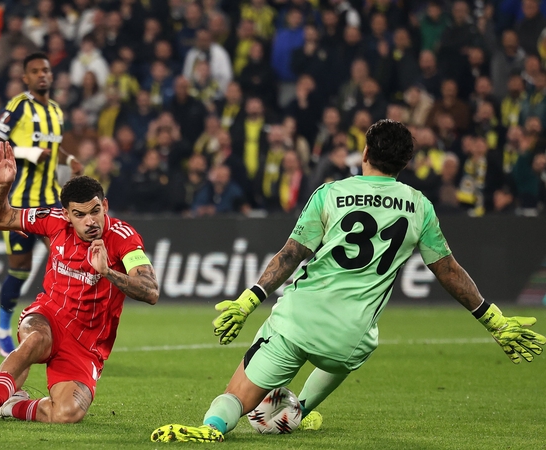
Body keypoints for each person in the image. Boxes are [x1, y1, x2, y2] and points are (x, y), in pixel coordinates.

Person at [151, 120, 546, 443]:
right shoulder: (419, 206)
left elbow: (291, 255)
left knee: (235, 396)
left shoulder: (331, 194)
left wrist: (249, 299)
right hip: (350, 343)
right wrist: (492, 319)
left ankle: (209, 429)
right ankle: (299, 410)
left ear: (365, 155)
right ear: (405, 162)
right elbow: (448, 270)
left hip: (297, 323)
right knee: (354, 336)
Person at [0, 160, 159, 428]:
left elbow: (151, 291)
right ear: (67, 215)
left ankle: (12, 406)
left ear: (105, 206)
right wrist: (3, 185)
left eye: (95, 211)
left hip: (86, 343)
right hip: (48, 316)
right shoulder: (52, 221)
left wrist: (108, 272)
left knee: (67, 413)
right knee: (35, 339)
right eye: (79, 215)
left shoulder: (123, 237)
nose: (90, 221)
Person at [0, 51, 81, 357]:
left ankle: (66, 330)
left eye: (46, 70)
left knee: (67, 262)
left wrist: (70, 158)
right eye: (35, 71)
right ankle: (2, 330)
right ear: (25, 78)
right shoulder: (18, 106)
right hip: (20, 205)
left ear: (52, 75)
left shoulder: (55, 110)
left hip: (51, 201)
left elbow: (53, 148)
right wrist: (27, 153)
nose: (42, 75)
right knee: (20, 268)